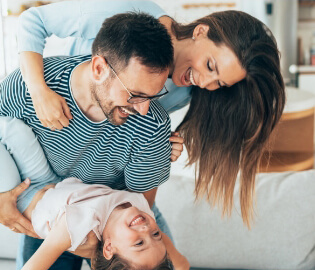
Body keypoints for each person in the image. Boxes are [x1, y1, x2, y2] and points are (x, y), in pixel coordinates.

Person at [0, 12, 190, 270]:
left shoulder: (152, 124)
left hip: (116, 222)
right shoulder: (30, 89)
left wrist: (104, 240)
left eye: (153, 95)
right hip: (50, 209)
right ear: (99, 68)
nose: (143, 109)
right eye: (134, 94)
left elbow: (142, 203)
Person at [18, 0, 286, 228]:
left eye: (219, 83)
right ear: (201, 31)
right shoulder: (126, 10)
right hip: (54, 175)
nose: (204, 82)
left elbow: (130, 126)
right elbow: (33, 21)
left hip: (108, 188)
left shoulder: (187, 90)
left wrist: (159, 147)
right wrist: (38, 91)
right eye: (210, 65)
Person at [0, 113, 187, 270]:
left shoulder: (80, 224)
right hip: (46, 179)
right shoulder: (139, 209)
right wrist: (179, 262)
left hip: (23, 197)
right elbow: (159, 246)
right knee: (14, 128)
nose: (147, 230)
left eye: (138, 242)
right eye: (154, 234)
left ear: (109, 248)